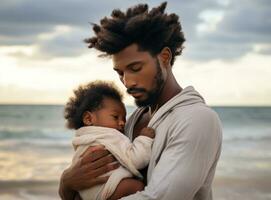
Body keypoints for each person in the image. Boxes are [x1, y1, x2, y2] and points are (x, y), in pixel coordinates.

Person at [59, 2, 223, 200]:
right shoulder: (133, 120)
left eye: (135, 68)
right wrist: (67, 183)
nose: (127, 82)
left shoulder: (197, 119)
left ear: (164, 57)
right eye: (120, 73)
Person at [64, 81, 155, 200]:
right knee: (137, 186)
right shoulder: (110, 135)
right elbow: (136, 160)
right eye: (115, 117)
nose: (122, 122)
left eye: (124, 118)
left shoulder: (84, 138)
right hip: (107, 187)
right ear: (88, 118)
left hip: (85, 193)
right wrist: (144, 139)